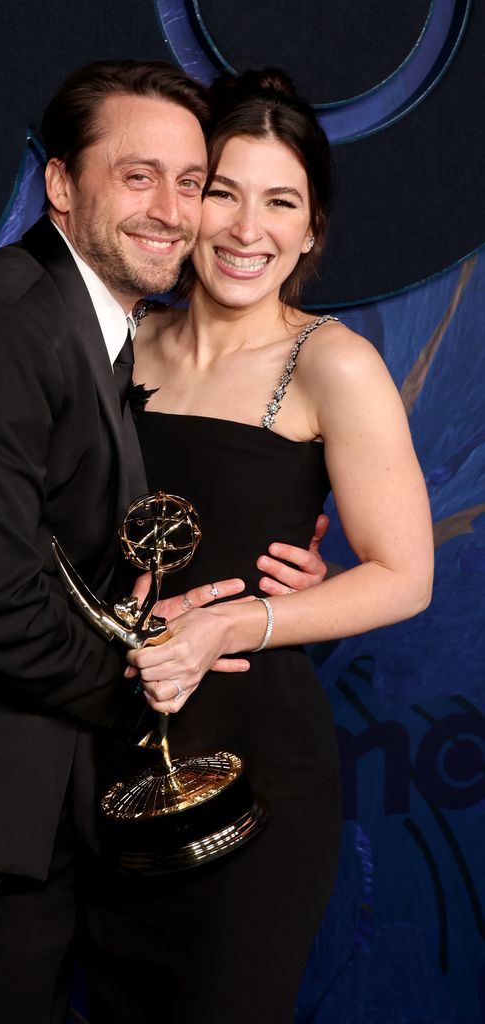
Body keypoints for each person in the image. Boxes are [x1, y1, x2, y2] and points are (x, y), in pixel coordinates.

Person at [0, 61, 326, 1024]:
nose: (172, 209)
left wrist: (272, 580)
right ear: (59, 188)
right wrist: (162, 673)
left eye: (187, 179)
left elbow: (87, 554)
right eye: (137, 177)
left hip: (27, 816)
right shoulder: (6, 326)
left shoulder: (105, 333)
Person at [82, 70, 434, 1024]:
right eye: (222, 192)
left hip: (254, 773)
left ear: (311, 226)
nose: (246, 229)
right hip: (96, 758)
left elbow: (405, 579)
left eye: (279, 201)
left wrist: (239, 619)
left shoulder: (331, 363)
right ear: (184, 205)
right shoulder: (116, 344)